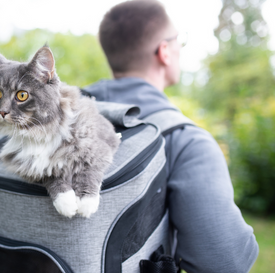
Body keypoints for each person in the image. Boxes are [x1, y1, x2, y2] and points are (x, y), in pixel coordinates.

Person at [83, 0, 259, 272]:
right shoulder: (186, 141)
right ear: (164, 51)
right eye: (179, 41)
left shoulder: (52, 120)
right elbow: (225, 261)